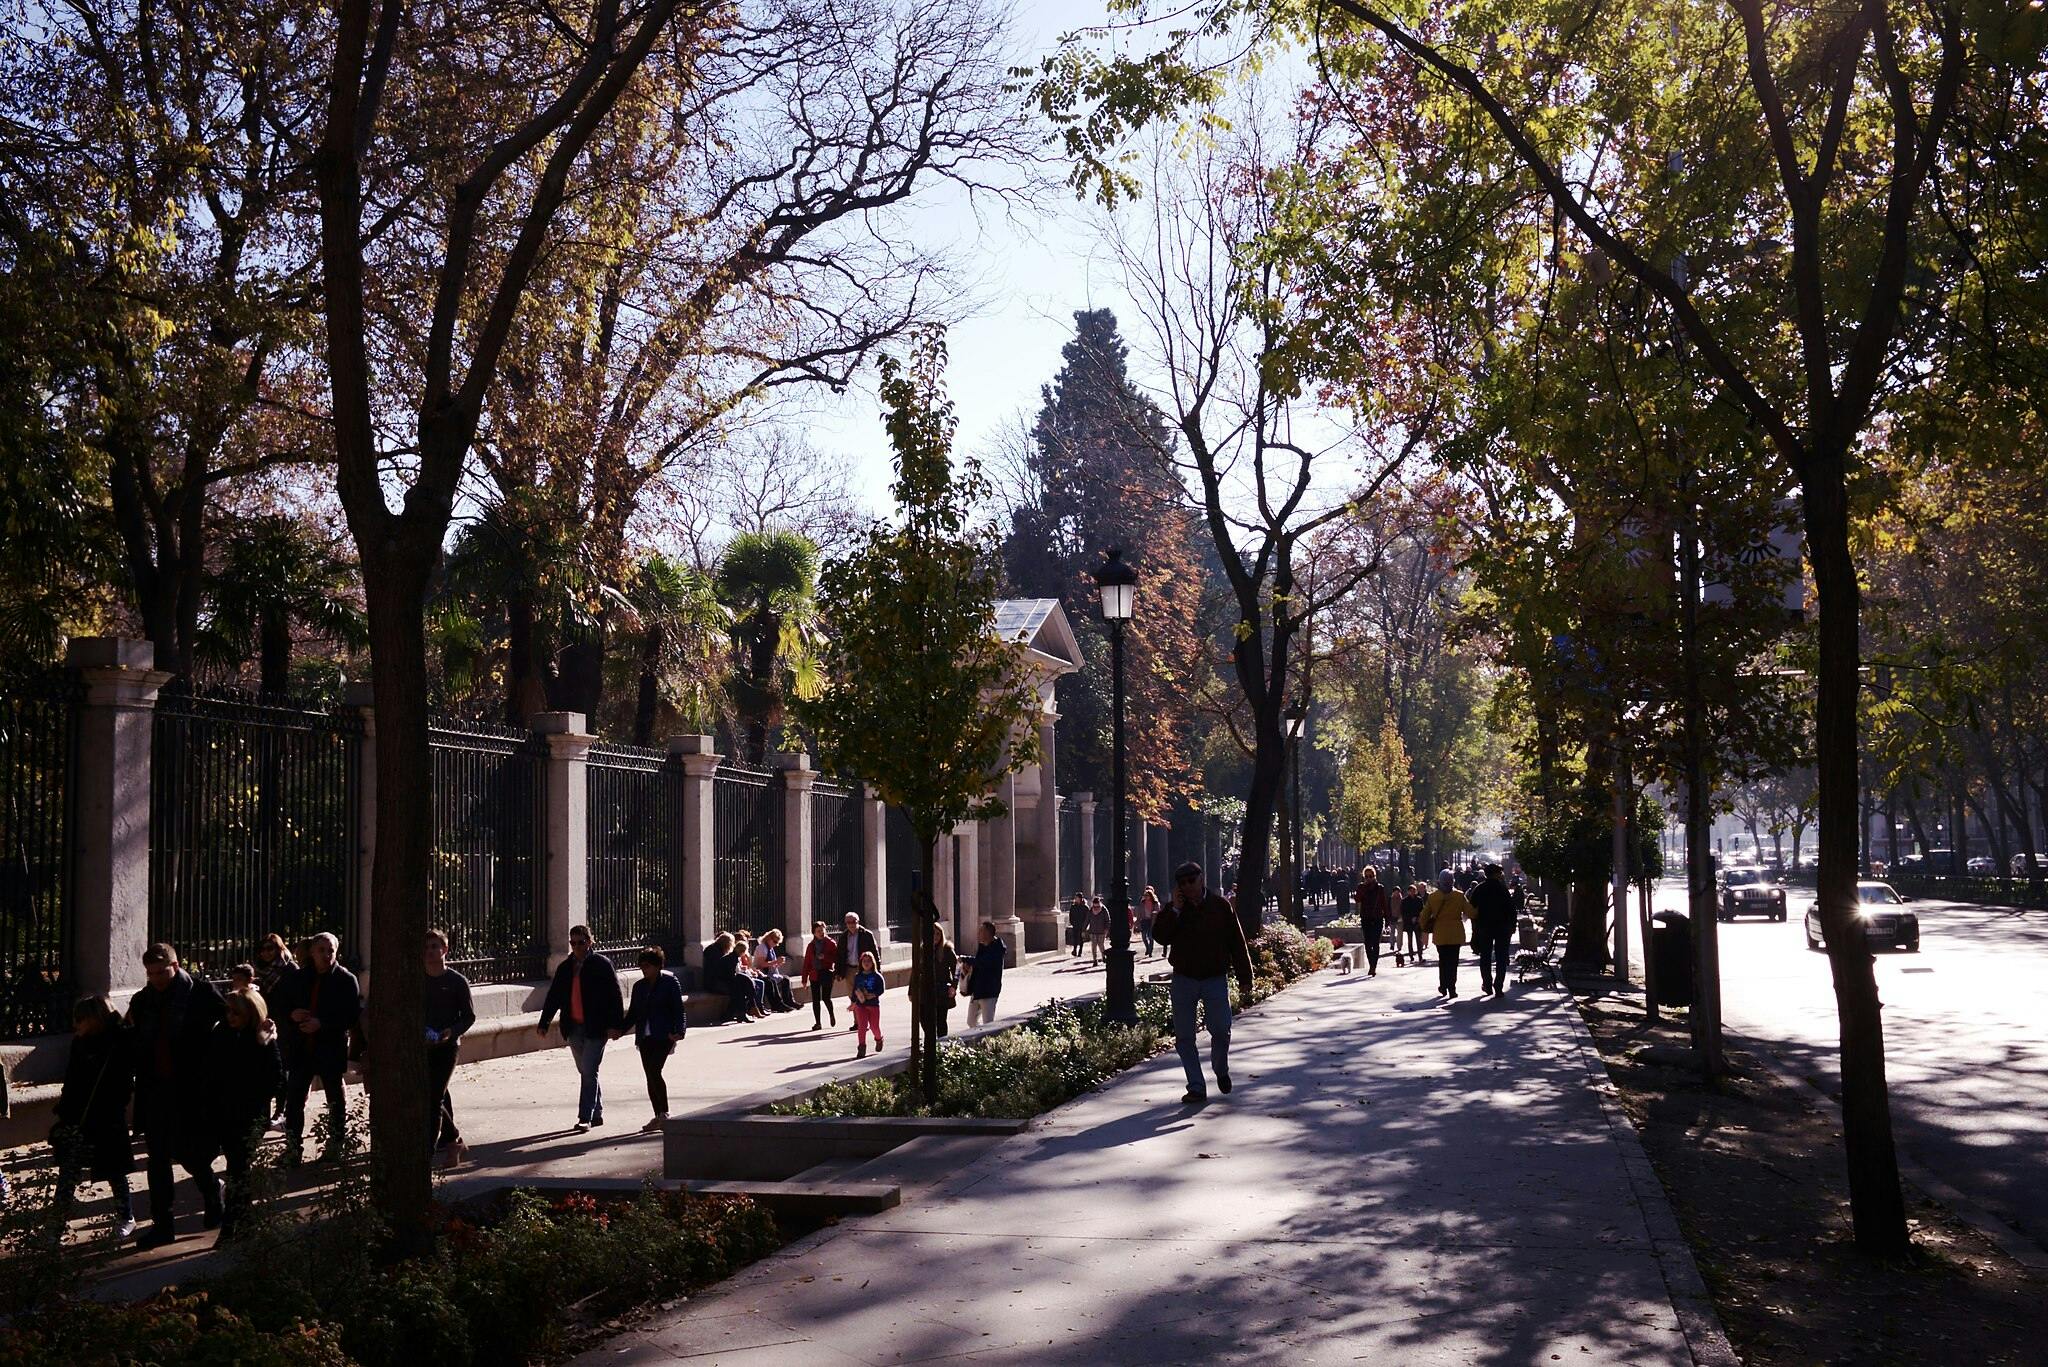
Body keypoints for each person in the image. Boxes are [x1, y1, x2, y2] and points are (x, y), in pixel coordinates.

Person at [125, 943, 225, 1248]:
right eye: (151, 973)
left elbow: (230, 1025)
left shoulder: (201, 994)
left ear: (176, 965)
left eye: (162, 971)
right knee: (157, 1160)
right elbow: (132, 1038)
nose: (156, 978)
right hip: (155, 1091)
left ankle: (211, 1190)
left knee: (191, 1155)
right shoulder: (143, 1001)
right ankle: (162, 1225)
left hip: (191, 1090)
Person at [1152, 861, 1254, 1106]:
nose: (1188, 887)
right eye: (1183, 883)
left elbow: (1237, 943)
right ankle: (1196, 1086)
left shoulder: (1220, 906)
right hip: (1184, 978)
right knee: (1184, 1037)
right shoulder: (1174, 910)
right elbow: (1160, 936)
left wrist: (1245, 977)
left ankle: (1221, 1069)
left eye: (1192, 881)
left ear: (1202, 879)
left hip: (1214, 978)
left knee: (1221, 1029)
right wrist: (1174, 910)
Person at [51, 995, 135, 1240]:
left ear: (95, 1019)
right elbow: (71, 1080)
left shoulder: (119, 1042)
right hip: (79, 1118)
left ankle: (126, 1216)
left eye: (80, 1019)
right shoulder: (80, 1045)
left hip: (107, 1118)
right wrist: (65, 1113)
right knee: (68, 1174)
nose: (75, 1024)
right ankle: (55, 1227)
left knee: (114, 1171)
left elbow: (124, 1083)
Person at [280, 931, 360, 1165]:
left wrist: (322, 1023)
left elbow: (351, 1016)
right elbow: (282, 1005)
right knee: (294, 1099)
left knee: (335, 1098)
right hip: (301, 1048)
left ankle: (335, 1145)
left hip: (329, 1048)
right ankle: (293, 1148)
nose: (326, 955)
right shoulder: (298, 978)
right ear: (312, 952)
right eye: (321, 951)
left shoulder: (346, 980)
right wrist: (291, 1015)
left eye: (330, 951)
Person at [209, 987, 283, 1239]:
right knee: (237, 1167)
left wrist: (262, 1044)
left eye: (237, 1013)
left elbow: (274, 1079)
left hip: (251, 1114)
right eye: (228, 1011)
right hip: (225, 1111)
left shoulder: (261, 1039)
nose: (231, 1016)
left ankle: (231, 1226)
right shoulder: (222, 1033)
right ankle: (246, 1221)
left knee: (237, 1167)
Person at [537, 924, 623, 1133]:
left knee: (589, 1071)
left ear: (590, 942)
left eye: (581, 942)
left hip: (596, 1027)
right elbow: (554, 996)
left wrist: (616, 1025)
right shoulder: (565, 968)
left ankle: (585, 1117)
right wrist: (544, 1022)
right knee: (586, 1071)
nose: (576, 947)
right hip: (573, 1026)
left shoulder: (601, 964)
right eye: (573, 943)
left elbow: (615, 995)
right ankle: (597, 1112)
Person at [615, 947, 686, 1131]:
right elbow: (633, 1014)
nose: (643, 969)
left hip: (664, 1034)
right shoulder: (639, 986)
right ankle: (658, 1115)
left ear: (657, 965)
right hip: (645, 1036)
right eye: (641, 966)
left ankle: (665, 1114)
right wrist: (619, 1031)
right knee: (649, 1075)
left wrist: (680, 1030)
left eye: (647, 966)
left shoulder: (669, 982)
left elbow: (678, 1009)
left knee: (655, 1070)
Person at [423, 928, 476, 1163]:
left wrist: (451, 1032)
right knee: (435, 1093)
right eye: (426, 947)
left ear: (445, 950)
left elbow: (469, 1017)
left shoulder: (456, 981)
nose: (430, 951)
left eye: (435, 946)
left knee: (433, 1098)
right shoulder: (416, 980)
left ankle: (426, 1152)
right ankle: (453, 1140)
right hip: (422, 1045)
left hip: (447, 1046)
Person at [1421, 871, 1474, 1000]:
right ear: (1452, 881)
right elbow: (1471, 912)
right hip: (1455, 933)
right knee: (1453, 961)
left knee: (1443, 961)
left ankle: (1443, 985)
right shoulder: (1459, 896)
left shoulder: (1433, 897)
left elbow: (1424, 916)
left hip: (1440, 933)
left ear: (1439, 881)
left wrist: (1424, 928)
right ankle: (1452, 988)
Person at [1469, 863, 1517, 997]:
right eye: (1499, 873)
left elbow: (1472, 909)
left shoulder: (1479, 889)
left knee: (1485, 957)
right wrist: (1513, 925)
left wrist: (1475, 926)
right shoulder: (1502, 889)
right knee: (1501, 957)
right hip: (1502, 928)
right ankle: (1498, 986)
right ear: (1496, 874)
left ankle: (1487, 984)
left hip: (1484, 927)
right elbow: (1511, 908)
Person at [702, 932, 763, 1023]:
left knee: (742, 984)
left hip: (721, 980)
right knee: (738, 988)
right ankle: (742, 1011)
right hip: (714, 982)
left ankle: (737, 1013)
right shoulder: (714, 952)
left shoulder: (719, 951)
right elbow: (719, 971)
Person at [834, 914, 879, 1031]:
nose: (851, 924)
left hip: (864, 970)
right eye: (848, 922)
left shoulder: (866, 935)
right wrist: (838, 972)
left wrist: (877, 971)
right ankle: (858, 1022)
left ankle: (865, 1020)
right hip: (849, 969)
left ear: (858, 922)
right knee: (853, 996)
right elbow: (839, 955)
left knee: (865, 995)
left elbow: (875, 953)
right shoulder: (843, 937)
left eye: (853, 922)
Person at [964, 921, 1006, 1027]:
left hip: (989, 991)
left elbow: (983, 963)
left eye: (981, 931)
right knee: (971, 1021)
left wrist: (967, 959)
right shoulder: (982, 947)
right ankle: (978, 1038)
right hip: (977, 990)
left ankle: (987, 1041)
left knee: (988, 1023)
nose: (978, 933)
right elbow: (978, 965)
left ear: (988, 933)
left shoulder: (997, 949)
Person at [1353, 867, 1391, 976]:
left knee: (1375, 943)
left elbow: (1384, 904)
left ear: (1375, 876)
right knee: (1368, 943)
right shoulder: (1361, 887)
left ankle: (1373, 966)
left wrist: (1387, 920)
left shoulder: (1380, 888)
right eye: (1367, 876)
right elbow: (1357, 899)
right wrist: (1362, 888)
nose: (1369, 878)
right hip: (1366, 918)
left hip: (1378, 918)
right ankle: (1371, 964)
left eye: (1371, 876)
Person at [802, 920, 839, 1030]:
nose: (821, 933)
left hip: (827, 972)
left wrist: (825, 958)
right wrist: (804, 979)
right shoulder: (811, 946)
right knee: (816, 999)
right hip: (814, 974)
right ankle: (818, 1023)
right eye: (818, 931)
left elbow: (837, 958)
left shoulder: (831, 943)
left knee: (826, 997)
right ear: (814, 933)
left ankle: (831, 1015)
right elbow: (807, 963)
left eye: (822, 931)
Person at [925, 922, 960, 1038]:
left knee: (941, 1020)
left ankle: (941, 1045)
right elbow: (916, 971)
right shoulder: (923, 950)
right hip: (927, 990)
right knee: (926, 1020)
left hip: (941, 990)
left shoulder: (947, 950)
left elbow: (957, 968)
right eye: (933, 934)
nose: (935, 937)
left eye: (938, 934)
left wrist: (954, 986)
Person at [849, 951, 886, 1058]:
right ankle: (861, 1047)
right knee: (862, 1026)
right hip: (861, 1006)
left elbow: (881, 989)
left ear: (872, 963)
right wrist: (853, 1002)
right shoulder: (858, 976)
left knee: (874, 1026)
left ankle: (879, 1039)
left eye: (869, 961)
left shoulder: (877, 976)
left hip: (873, 1005)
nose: (866, 963)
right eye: (864, 961)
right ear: (861, 963)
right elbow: (854, 990)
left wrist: (874, 995)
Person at [751, 929, 798, 1012]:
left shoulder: (770, 948)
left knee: (786, 979)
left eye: (777, 943)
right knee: (771, 981)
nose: (776, 944)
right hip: (762, 972)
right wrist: (776, 961)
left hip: (769, 972)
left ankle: (789, 1001)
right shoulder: (762, 948)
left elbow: (771, 964)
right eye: (775, 942)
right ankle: (777, 1004)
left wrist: (778, 963)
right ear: (769, 939)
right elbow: (762, 964)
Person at [254, 933, 298, 1002]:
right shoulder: (260, 968)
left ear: (278, 949)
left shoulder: (290, 967)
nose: (266, 952)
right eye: (262, 949)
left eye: (270, 949)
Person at [1399, 882, 1426, 965]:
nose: (1412, 892)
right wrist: (1410, 919)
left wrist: (1417, 918)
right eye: (1411, 891)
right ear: (1408, 892)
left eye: (1414, 890)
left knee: (1419, 940)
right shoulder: (1404, 901)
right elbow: (1403, 912)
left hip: (1417, 923)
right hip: (1409, 923)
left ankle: (1420, 956)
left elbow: (1422, 910)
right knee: (1410, 940)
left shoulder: (1419, 900)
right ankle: (1411, 956)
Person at [1086, 895, 1110, 966]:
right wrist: (1084, 929)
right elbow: (1087, 919)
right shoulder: (1091, 910)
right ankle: (1095, 960)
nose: (1096, 907)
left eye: (1097, 906)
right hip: (1093, 931)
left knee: (1101, 945)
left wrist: (1106, 929)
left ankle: (1103, 956)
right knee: (1093, 946)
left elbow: (1108, 920)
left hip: (1101, 931)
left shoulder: (1103, 909)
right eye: (1094, 905)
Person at [1137, 887, 1160, 957]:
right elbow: (1139, 912)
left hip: (1151, 921)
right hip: (1144, 921)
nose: (1146, 897)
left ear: (1151, 895)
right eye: (1145, 895)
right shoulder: (1142, 903)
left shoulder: (1155, 903)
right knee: (1144, 937)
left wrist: (1154, 914)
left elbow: (1158, 911)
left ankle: (1150, 951)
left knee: (1150, 937)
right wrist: (1138, 920)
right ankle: (1147, 948)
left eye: (1147, 895)